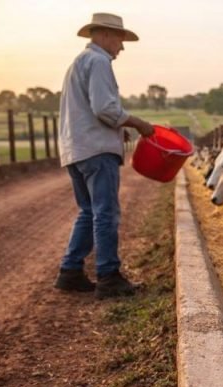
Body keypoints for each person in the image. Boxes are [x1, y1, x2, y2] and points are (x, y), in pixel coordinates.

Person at [54, 13, 154, 298]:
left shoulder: (79, 63)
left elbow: (88, 110)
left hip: (77, 149)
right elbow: (104, 108)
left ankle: (70, 271)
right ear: (105, 35)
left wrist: (116, 129)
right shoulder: (99, 62)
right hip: (97, 151)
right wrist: (137, 123)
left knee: (88, 211)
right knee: (105, 213)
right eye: (120, 40)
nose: (121, 48)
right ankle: (108, 276)